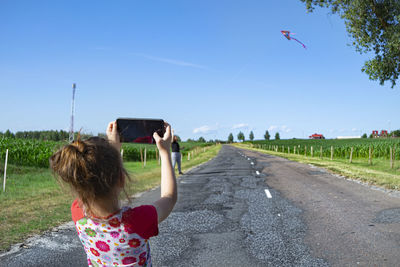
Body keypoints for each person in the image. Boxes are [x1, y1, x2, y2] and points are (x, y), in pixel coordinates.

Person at [50, 121, 177, 267]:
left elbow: (91, 177)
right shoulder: (138, 221)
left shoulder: (77, 213)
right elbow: (169, 197)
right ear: (121, 179)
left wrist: (112, 148)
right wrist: (165, 152)